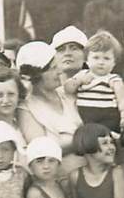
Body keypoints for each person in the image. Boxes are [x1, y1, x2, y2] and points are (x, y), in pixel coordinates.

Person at [16, 41, 85, 175]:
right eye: (53, 68)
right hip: (61, 179)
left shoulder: (67, 94)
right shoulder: (26, 108)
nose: (60, 71)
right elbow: (42, 150)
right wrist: (84, 140)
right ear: (36, 76)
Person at [63, 30, 123, 134]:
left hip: (107, 118)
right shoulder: (83, 75)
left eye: (106, 58)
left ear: (114, 63)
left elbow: (123, 100)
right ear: (87, 60)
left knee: (108, 133)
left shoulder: (113, 79)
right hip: (85, 118)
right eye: (96, 58)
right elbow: (67, 89)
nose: (101, 62)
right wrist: (79, 81)